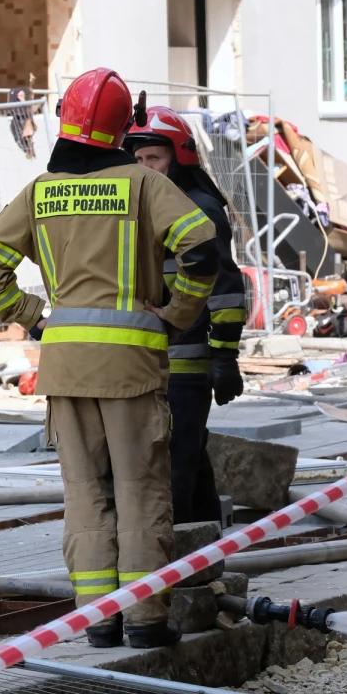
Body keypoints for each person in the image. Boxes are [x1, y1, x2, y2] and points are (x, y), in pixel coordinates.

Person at [0, 68, 219, 649]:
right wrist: (179, 312)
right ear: (124, 127)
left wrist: (33, 316)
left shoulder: (40, 191)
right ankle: (145, 620)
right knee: (140, 490)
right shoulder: (143, 185)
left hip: (65, 366)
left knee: (85, 493)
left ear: (64, 118)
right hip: (130, 368)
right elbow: (202, 249)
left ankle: (98, 621)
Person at [123, 105, 246, 526]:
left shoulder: (200, 209)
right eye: (136, 161)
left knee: (174, 472)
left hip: (186, 367)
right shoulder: (144, 208)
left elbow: (226, 290)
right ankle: (207, 563)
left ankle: (177, 573)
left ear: (180, 157)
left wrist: (224, 358)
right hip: (151, 363)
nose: (144, 169)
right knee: (191, 467)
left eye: (153, 158)